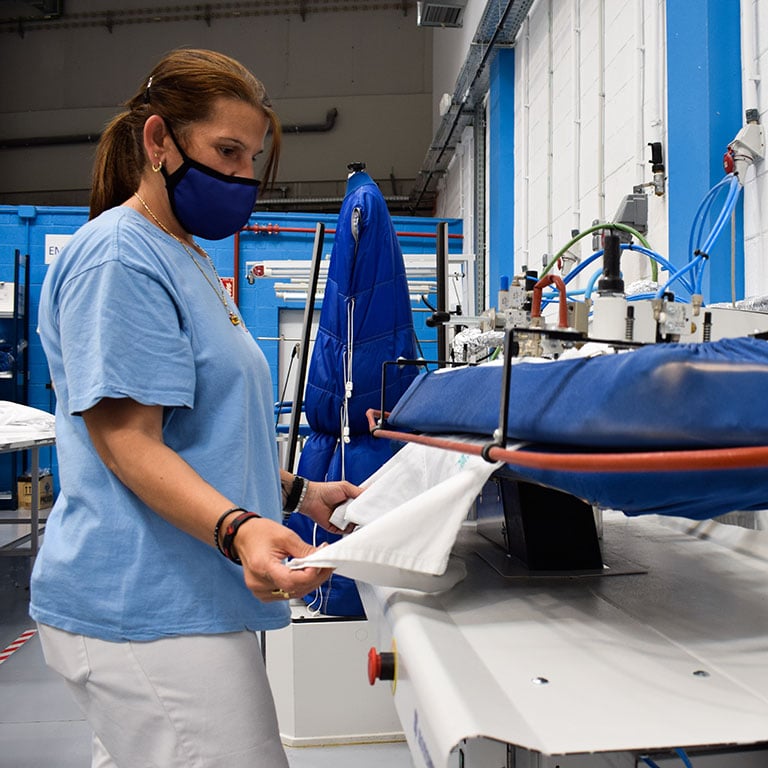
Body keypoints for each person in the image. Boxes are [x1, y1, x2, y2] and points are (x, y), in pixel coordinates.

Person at [30, 48, 360, 768]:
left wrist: (301, 494)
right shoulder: (120, 257)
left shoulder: (185, 258)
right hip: (147, 608)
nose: (243, 177)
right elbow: (127, 443)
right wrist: (242, 531)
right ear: (158, 142)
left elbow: (197, 438)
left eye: (253, 160)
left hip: (181, 594)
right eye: (227, 152)